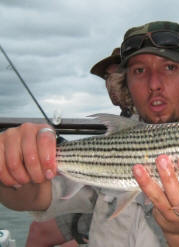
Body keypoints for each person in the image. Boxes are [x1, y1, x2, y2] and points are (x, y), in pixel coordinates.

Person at [0, 21, 179, 247]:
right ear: (128, 83)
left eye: (170, 68)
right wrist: (9, 170)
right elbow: (33, 197)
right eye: (139, 70)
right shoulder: (115, 146)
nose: (154, 84)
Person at [26, 48, 123, 247]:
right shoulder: (122, 118)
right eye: (107, 76)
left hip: (115, 203)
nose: (111, 81)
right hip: (103, 197)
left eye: (118, 73)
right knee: (39, 228)